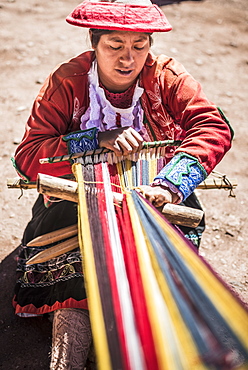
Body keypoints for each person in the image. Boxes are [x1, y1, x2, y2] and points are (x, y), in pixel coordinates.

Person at [12, 0, 233, 368]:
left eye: (139, 46)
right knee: (81, 271)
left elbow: (212, 127)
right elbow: (30, 154)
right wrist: (95, 138)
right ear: (94, 44)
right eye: (114, 46)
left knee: (153, 272)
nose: (128, 59)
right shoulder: (69, 81)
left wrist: (169, 185)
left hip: (155, 192)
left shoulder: (167, 78)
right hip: (80, 195)